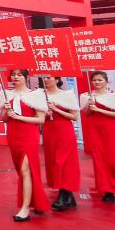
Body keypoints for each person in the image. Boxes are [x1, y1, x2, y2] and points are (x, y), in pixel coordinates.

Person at [0, 68, 49, 222]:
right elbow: (4, 119)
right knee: (21, 170)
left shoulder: (36, 95)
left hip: (29, 135)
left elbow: (41, 119)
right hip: (13, 135)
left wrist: (19, 117)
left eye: (19, 74)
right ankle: (37, 200)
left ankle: (25, 208)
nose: (16, 77)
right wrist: (7, 111)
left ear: (26, 77)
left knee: (25, 169)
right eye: (13, 75)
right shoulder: (6, 94)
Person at [80, 71, 115, 202]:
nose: (97, 82)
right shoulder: (87, 96)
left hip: (111, 130)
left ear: (106, 81)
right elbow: (87, 113)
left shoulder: (114, 96)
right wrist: (89, 105)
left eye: (100, 80)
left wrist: (99, 109)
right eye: (94, 80)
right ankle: (107, 190)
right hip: (95, 131)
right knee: (100, 160)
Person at [41, 76, 81, 211]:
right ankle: (67, 196)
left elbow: (74, 116)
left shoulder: (67, 95)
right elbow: (38, 117)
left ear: (57, 80)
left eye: (49, 77)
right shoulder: (40, 95)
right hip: (49, 131)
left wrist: (56, 109)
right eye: (45, 77)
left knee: (62, 162)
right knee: (53, 162)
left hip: (64, 131)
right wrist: (46, 113)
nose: (46, 80)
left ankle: (63, 195)